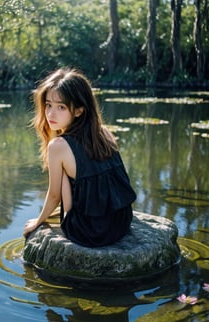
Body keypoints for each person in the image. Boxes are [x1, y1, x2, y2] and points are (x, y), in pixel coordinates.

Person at [23, 68, 136, 247]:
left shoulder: (58, 146)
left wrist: (38, 222)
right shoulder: (103, 132)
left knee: (64, 174)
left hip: (88, 233)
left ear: (79, 111)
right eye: (48, 105)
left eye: (61, 107)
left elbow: (54, 195)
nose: (51, 114)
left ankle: (70, 215)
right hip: (122, 221)